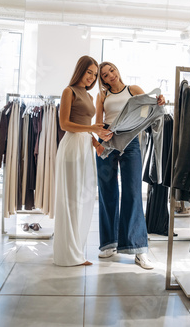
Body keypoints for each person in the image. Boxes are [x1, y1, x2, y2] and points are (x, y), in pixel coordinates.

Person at [95, 61, 165, 269]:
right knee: (107, 191)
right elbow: (98, 123)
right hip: (107, 140)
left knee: (133, 192)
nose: (110, 76)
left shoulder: (133, 90)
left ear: (117, 70)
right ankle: (109, 243)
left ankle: (138, 249)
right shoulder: (103, 96)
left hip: (131, 140)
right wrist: (98, 140)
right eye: (105, 75)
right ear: (103, 80)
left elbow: (150, 108)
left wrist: (160, 101)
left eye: (112, 71)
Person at [53, 56, 111, 267]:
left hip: (84, 148)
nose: (92, 77)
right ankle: (66, 255)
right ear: (80, 70)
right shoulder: (69, 91)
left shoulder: (88, 95)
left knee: (81, 200)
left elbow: (88, 128)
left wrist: (96, 144)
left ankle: (75, 250)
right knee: (69, 200)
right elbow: (64, 124)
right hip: (71, 149)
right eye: (89, 72)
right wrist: (92, 130)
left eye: (95, 74)